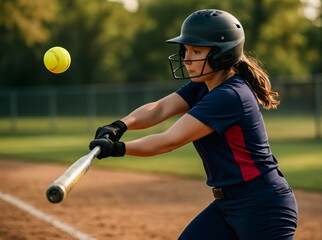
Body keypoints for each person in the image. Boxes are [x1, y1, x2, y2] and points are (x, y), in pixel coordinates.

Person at [89, 9, 298, 240]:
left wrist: (118, 148)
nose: (187, 58)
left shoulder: (229, 95)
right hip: (227, 205)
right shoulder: (203, 84)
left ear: (222, 55)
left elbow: (169, 140)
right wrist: (119, 126)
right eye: (185, 49)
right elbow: (160, 109)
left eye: (196, 51)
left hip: (262, 207)